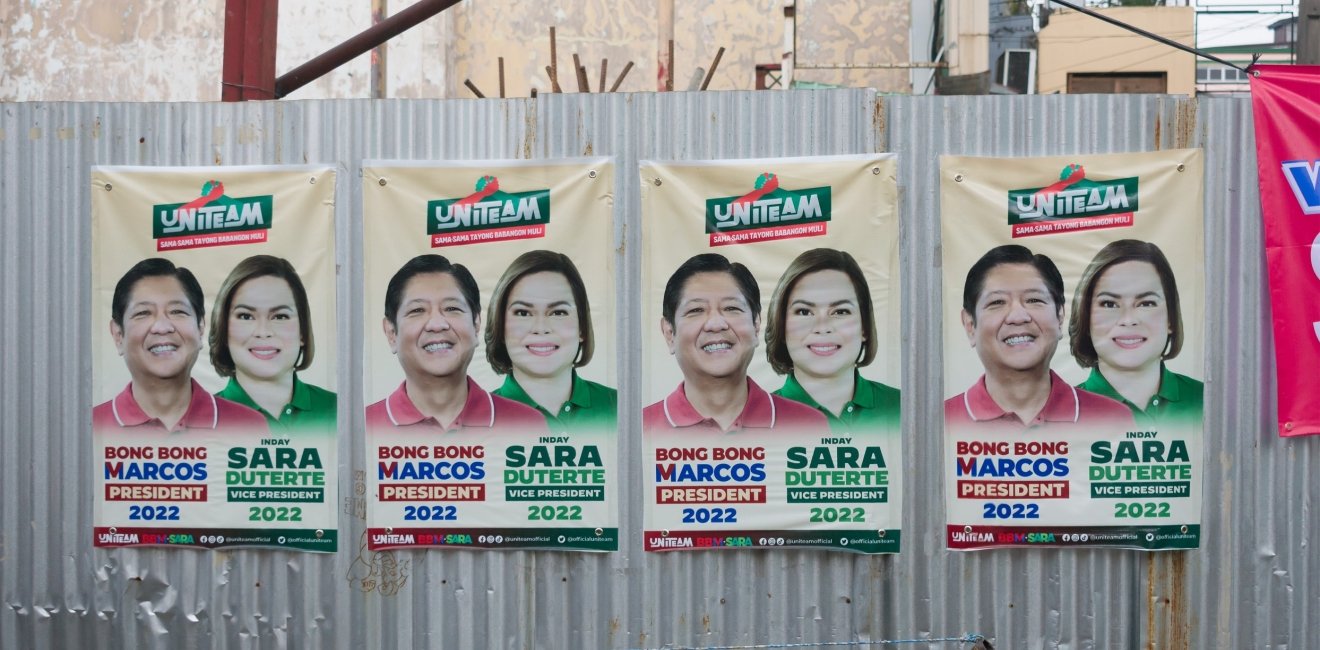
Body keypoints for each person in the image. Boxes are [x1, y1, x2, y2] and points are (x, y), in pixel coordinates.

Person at [944, 245, 1132, 431]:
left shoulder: (1113, 420)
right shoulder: (940, 422)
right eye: (997, 302)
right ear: (970, 325)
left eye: (1034, 300)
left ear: (1059, 317)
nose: (1018, 317)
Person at [643, 253, 827, 433]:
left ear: (756, 325)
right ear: (669, 333)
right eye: (696, 310)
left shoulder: (809, 426)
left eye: (731, 308)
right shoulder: (636, 432)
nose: (716, 324)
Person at [366, 254, 547, 434]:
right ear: (391, 333)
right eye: (417, 310)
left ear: (476, 325)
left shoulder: (528, 426)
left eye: (452, 309)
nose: (437, 325)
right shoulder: (360, 430)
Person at [93, 258, 267, 433]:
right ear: (118, 335)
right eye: (143, 313)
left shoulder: (249, 426)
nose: (162, 327)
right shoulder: (89, 428)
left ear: (200, 328)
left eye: (177, 311)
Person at [764, 249, 900, 434]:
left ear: (865, 328)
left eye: (840, 312)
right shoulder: (755, 421)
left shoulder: (907, 408)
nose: (823, 327)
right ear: (781, 326)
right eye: (804, 312)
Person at [1068, 239, 1203, 426]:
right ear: (1086, 318)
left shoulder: (1208, 401)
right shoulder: (1060, 413)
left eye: (1146, 303)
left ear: (1171, 317)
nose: (1128, 319)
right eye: (1109, 304)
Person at [485, 250, 617, 432]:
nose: (541, 327)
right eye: (523, 313)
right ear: (500, 326)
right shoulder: (474, 420)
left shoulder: (623, 408)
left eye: (558, 312)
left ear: (582, 328)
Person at [208, 255, 336, 433]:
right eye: (246, 316)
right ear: (223, 328)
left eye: (280, 316)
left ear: (302, 332)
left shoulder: (341, 411)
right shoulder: (200, 419)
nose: (263, 331)